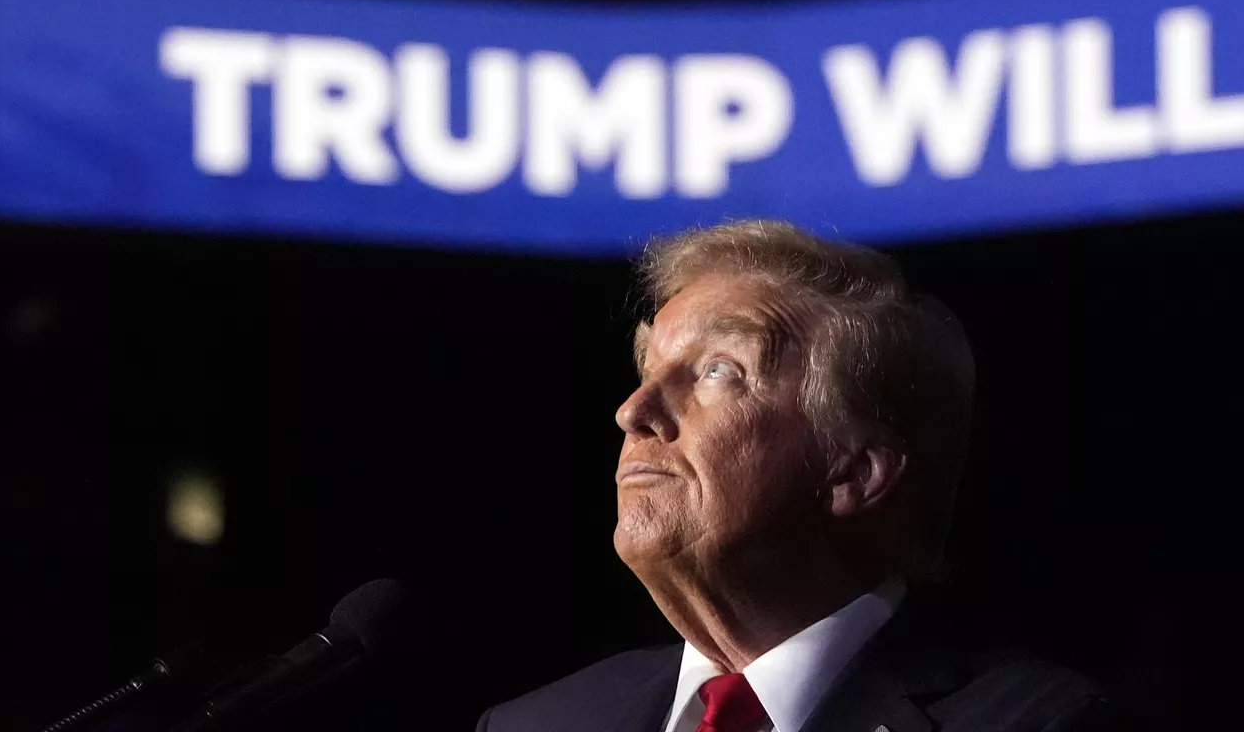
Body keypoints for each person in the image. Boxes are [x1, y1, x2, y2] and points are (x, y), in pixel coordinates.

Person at [475, 220, 1111, 732]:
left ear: (855, 472)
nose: (633, 411)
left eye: (717, 371)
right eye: (647, 371)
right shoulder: (535, 722)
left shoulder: (1043, 720)